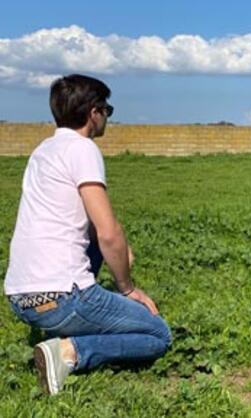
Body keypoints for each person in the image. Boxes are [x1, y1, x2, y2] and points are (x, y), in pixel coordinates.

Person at [4, 74, 171, 395]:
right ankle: (69, 353)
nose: (107, 117)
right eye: (107, 109)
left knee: (96, 243)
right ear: (93, 113)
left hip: (21, 297)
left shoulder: (44, 150)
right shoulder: (83, 148)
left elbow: (94, 231)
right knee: (157, 334)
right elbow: (109, 232)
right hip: (61, 299)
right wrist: (127, 288)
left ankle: (61, 331)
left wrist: (118, 252)